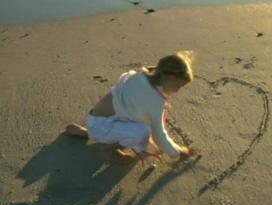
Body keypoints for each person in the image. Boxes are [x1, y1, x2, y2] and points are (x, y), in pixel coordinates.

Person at [65, 51, 196, 166]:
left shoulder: (141, 77)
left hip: (95, 118)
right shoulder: (154, 99)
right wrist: (177, 153)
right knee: (143, 132)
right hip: (101, 126)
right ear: (170, 78)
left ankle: (88, 132)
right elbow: (159, 134)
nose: (178, 90)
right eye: (179, 86)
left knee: (137, 121)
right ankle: (108, 149)